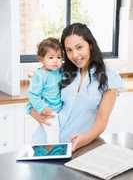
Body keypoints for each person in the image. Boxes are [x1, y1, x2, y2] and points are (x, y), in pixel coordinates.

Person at [30, 23, 123, 152]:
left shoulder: (109, 77)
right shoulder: (59, 72)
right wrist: (33, 112)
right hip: (44, 143)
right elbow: (35, 96)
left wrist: (84, 140)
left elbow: (102, 121)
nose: (74, 55)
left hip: (78, 146)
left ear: (90, 45)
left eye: (79, 47)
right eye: (69, 50)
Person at [27, 37, 63, 143]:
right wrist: (42, 107)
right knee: (48, 135)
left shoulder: (59, 71)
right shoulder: (40, 75)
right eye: (51, 57)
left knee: (53, 135)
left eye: (59, 57)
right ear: (41, 59)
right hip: (46, 110)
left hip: (57, 110)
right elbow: (33, 94)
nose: (56, 60)